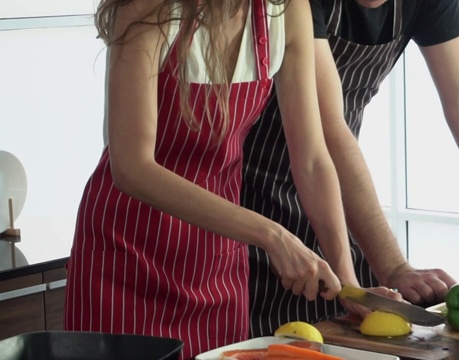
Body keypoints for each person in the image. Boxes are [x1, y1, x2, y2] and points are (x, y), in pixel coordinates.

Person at [242, 0, 459, 338]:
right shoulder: (298, 4)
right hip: (250, 200)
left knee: (361, 327)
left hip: (338, 194)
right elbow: (328, 131)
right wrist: (395, 266)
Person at [63, 0, 356, 358]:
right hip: (126, 262)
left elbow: (311, 161)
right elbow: (131, 167)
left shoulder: (285, 10)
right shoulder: (146, 8)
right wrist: (270, 234)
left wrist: (350, 287)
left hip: (215, 267)